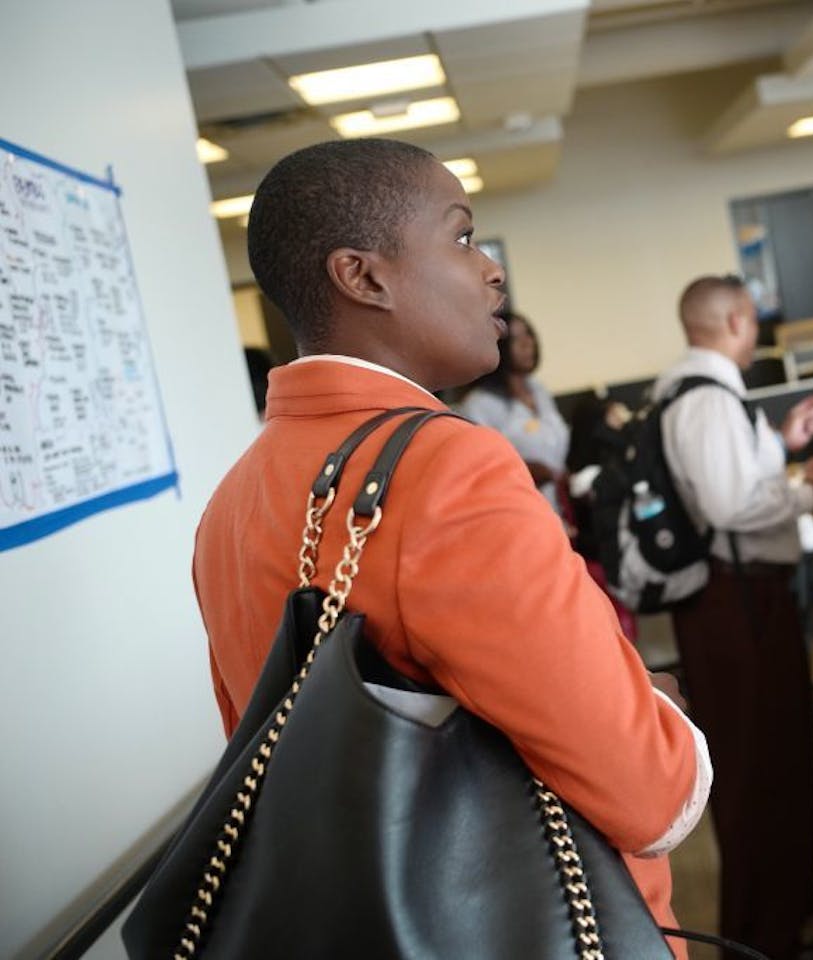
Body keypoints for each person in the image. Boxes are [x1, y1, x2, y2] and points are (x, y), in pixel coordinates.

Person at [192, 138, 710, 958]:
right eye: (463, 237)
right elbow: (650, 792)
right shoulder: (445, 466)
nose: (493, 271)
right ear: (364, 277)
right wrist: (658, 711)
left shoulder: (232, 501)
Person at [657, 275, 813, 960]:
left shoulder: (701, 394)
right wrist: (809, 489)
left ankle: (784, 901)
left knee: (775, 756)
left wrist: (779, 442)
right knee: (756, 770)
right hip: (733, 602)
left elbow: (732, 483)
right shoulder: (706, 399)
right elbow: (729, 508)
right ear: (738, 318)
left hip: (740, 595)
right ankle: (766, 938)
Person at [456, 311, 570, 512]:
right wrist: (525, 470)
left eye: (529, 334)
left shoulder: (538, 389)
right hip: (513, 511)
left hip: (555, 509)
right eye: (516, 338)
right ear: (498, 345)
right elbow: (479, 471)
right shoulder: (479, 405)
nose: (528, 344)